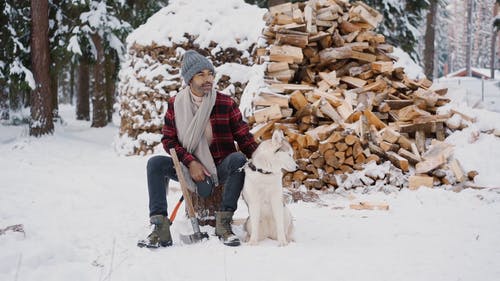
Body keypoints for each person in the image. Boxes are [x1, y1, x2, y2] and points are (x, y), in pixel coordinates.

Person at [139, 50, 258, 248]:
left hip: (219, 166)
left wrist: (264, 158)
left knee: (238, 159)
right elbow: (168, 140)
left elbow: (244, 138)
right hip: (187, 168)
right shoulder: (175, 104)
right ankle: (160, 227)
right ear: (189, 79)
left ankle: (223, 224)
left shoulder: (225, 103)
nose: (208, 79)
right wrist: (190, 161)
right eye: (201, 74)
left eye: (210, 73)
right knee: (155, 164)